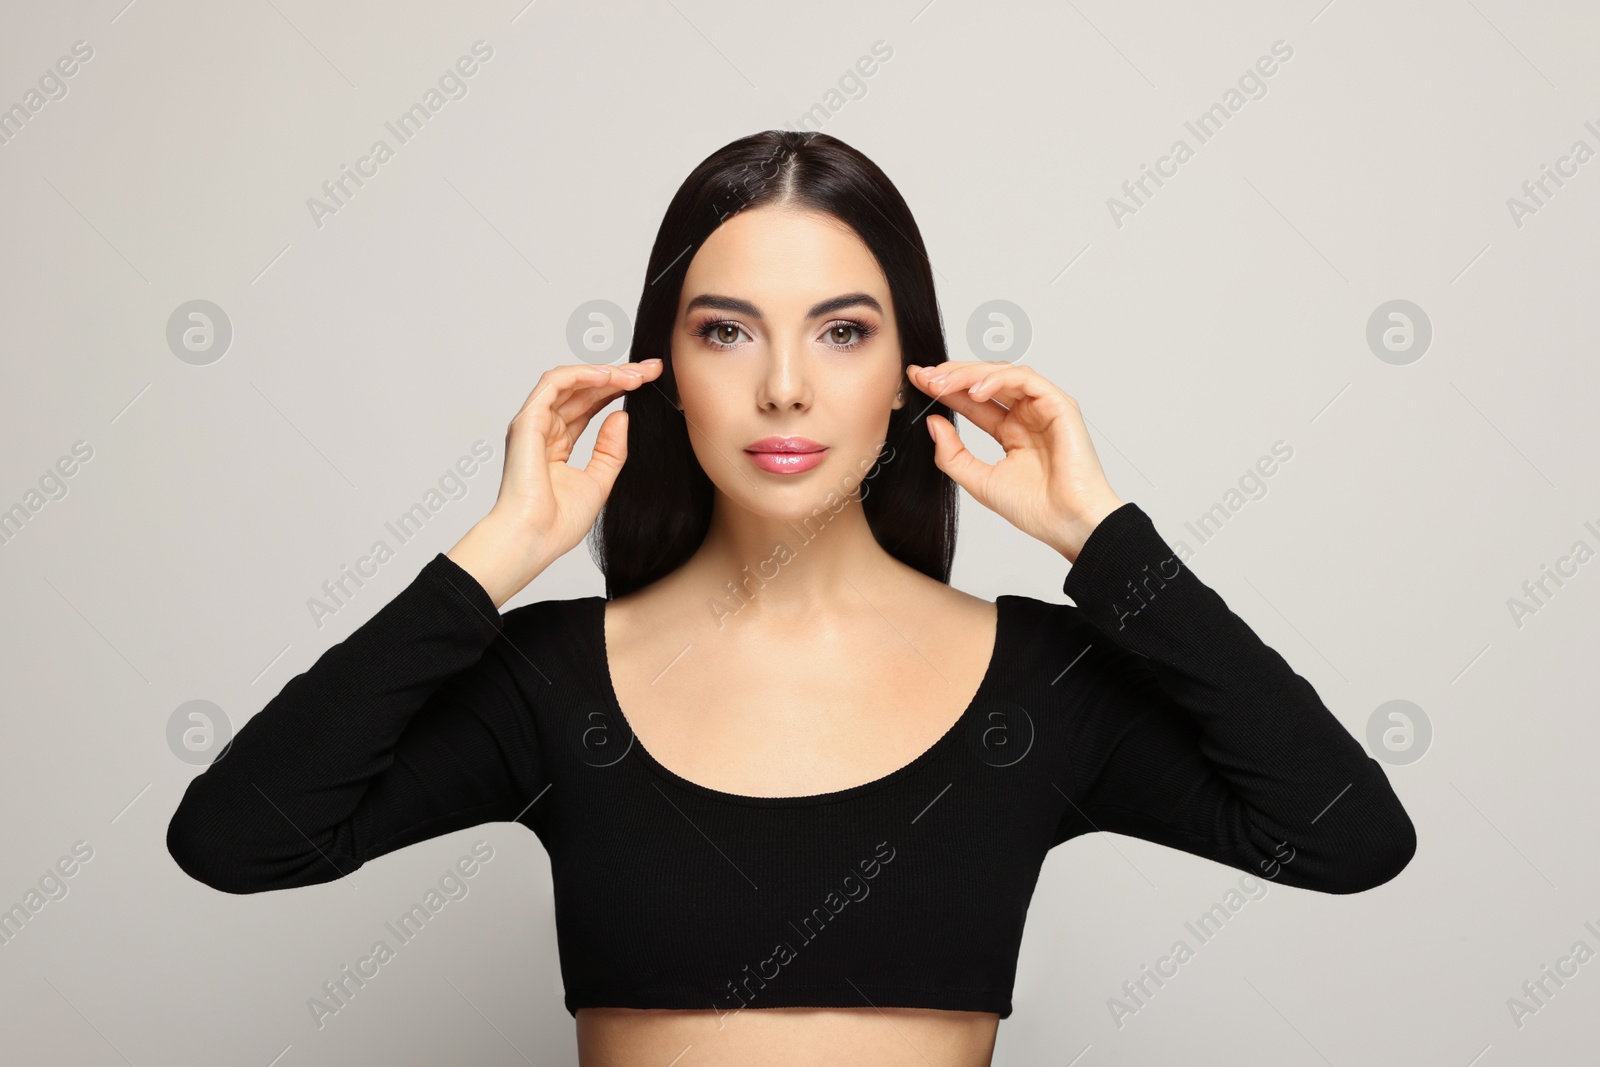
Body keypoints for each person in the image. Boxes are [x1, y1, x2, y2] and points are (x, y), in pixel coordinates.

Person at [166, 130, 1416, 1067]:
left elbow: (1347, 834)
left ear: (908, 371)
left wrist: (1102, 540)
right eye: (724, 332)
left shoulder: (1041, 684)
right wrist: (497, 551)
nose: (781, 388)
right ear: (660, 372)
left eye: (839, 331)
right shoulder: (549, 677)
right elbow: (239, 837)